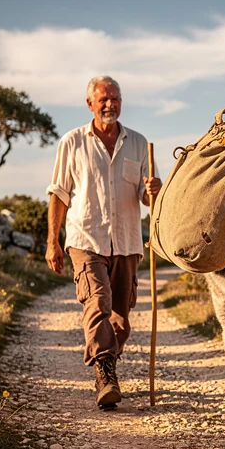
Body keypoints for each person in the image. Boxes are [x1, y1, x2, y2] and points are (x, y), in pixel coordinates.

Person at [45, 76, 162, 409]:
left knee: (120, 320)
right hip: (86, 238)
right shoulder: (72, 142)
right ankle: (105, 375)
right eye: (104, 99)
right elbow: (59, 194)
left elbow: (146, 198)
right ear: (90, 104)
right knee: (97, 303)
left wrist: (153, 191)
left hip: (126, 241)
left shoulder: (139, 143)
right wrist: (52, 241)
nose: (110, 104)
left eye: (115, 99)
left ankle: (108, 358)